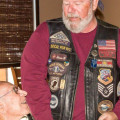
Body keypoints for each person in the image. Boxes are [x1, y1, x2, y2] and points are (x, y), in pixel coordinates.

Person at [21, 0, 120, 120]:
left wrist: (117, 113)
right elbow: (32, 78)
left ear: (94, 4)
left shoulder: (114, 36)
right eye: (66, 3)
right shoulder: (46, 31)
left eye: (77, 4)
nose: (70, 10)